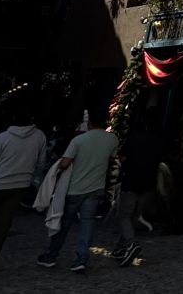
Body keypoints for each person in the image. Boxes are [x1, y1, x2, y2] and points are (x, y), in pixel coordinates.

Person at [36, 107, 117, 273]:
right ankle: (81, 258)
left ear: (89, 121)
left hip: (75, 188)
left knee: (64, 224)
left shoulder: (79, 140)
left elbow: (65, 163)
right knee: (87, 224)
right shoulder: (112, 139)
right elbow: (112, 160)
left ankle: (51, 255)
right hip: (96, 187)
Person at [0, 100, 46, 274]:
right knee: (2, 224)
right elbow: (41, 163)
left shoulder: (3, 137)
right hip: (20, 185)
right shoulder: (40, 136)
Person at [113, 109, 162, 266]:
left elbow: (123, 157)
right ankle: (120, 247)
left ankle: (130, 244)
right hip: (148, 184)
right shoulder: (158, 140)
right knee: (133, 216)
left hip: (131, 181)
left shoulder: (134, 137)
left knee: (124, 215)